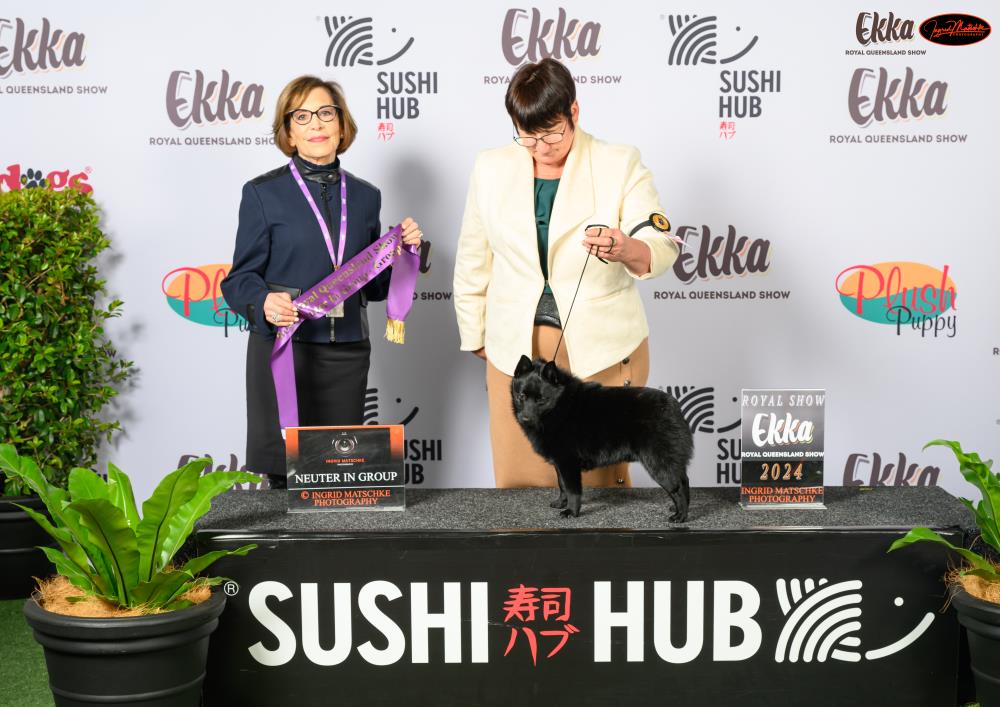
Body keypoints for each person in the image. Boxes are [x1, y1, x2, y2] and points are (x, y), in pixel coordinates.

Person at [453, 58, 679, 489]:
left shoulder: (619, 162)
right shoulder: (490, 167)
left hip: (601, 349)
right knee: (518, 485)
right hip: (515, 351)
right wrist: (476, 333)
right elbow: (473, 257)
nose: (540, 146)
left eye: (552, 132)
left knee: (596, 489)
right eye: (527, 135)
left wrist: (625, 247)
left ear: (574, 111)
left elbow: (661, 244)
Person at [221, 75, 421, 489]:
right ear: (288, 132)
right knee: (285, 480)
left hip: (346, 352)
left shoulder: (366, 196)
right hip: (285, 351)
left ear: (342, 125)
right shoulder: (262, 193)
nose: (316, 124)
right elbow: (239, 279)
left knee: (339, 481)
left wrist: (406, 255)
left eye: (326, 113)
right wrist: (264, 302)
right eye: (302, 116)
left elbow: (373, 286)